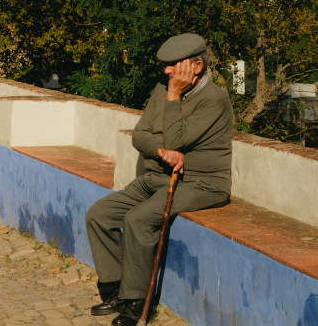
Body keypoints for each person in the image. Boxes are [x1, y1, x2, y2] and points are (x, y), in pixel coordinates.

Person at [84, 33, 233, 325]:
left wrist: (174, 99)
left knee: (138, 219)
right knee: (99, 214)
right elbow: (139, 135)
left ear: (197, 66)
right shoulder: (161, 89)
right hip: (155, 177)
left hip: (200, 183)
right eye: (165, 66)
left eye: (172, 66)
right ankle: (115, 290)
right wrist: (162, 149)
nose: (166, 72)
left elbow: (176, 137)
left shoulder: (213, 100)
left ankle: (138, 303)